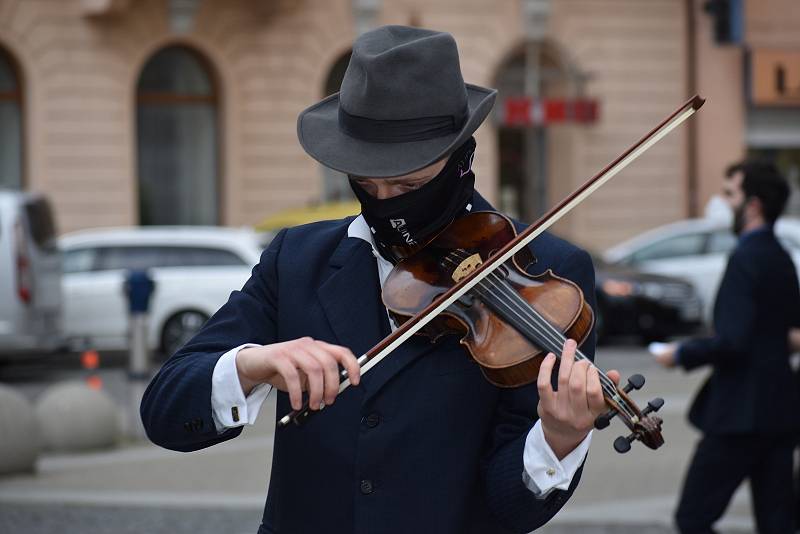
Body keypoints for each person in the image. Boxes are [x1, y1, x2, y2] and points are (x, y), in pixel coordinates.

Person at [141, 25, 618, 534]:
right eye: (367, 183)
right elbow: (165, 411)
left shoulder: (543, 273)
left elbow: (508, 508)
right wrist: (252, 364)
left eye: (410, 183)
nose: (387, 201)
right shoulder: (297, 258)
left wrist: (557, 438)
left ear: (462, 158)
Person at [654, 160, 800, 534]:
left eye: (730, 194)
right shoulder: (781, 259)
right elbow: (790, 332)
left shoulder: (745, 259)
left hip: (738, 415)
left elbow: (734, 342)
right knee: (777, 523)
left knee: (693, 519)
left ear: (752, 205)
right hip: (780, 412)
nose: (723, 202)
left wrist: (681, 354)